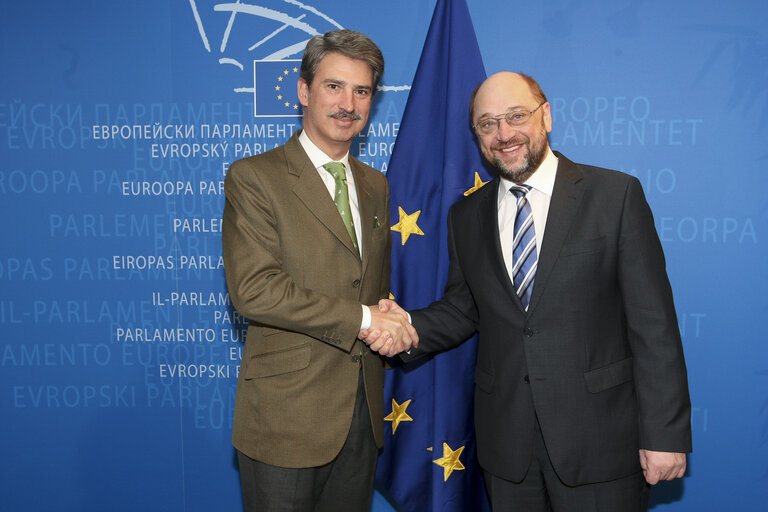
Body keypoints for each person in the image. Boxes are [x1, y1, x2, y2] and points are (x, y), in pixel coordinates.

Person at [366, 72, 691, 511]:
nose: (504, 134)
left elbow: (654, 327)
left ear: (546, 116)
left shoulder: (615, 196)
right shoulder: (466, 216)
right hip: (507, 451)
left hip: (600, 443)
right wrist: (405, 326)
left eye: (516, 116)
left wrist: (664, 434)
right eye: (488, 123)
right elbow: (463, 309)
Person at [222, 29, 416, 512]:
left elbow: (369, 286)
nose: (348, 104)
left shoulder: (375, 184)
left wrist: (391, 318)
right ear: (304, 91)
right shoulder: (255, 177)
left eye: (362, 91)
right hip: (287, 420)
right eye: (334, 86)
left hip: (361, 417)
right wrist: (367, 319)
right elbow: (255, 291)